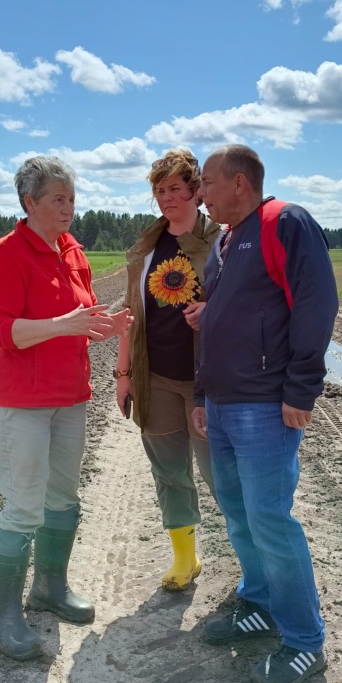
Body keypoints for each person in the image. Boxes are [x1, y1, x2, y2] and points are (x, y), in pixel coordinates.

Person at [192, 144, 339, 683]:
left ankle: (304, 642)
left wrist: (301, 388)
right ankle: (258, 604)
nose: (200, 193)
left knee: (271, 521)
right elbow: (226, 323)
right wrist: (203, 394)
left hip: (264, 404)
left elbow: (316, 304)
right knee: (238, 515)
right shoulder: (225, 244)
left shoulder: (285, 223)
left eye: (206, 182)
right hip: (226, 406)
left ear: (238, 183)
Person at [0, 155, 132, 661]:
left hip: (71, 396)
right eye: (58, 199)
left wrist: (101, 325)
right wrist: (61, 324)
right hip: (24, 402)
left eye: (72, 198)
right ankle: (3, 617)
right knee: (23, 504)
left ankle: (50, 588)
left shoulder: (73, 252)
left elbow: (77, 319)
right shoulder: (7, 254)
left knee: (63, 497)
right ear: (30, 202)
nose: (68, 208)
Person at [115, 148, 221, 591]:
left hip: (209, 382)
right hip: (155, 378)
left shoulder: (222, 241)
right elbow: (131, 312)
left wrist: (211, 311)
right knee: (169, 472)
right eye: (160, 191)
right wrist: (123, 374)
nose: (166, 198)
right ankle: (185, 558)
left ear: (197, 192)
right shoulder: (146, 246)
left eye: (175, 189)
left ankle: (254, 565)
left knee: (221, 473)